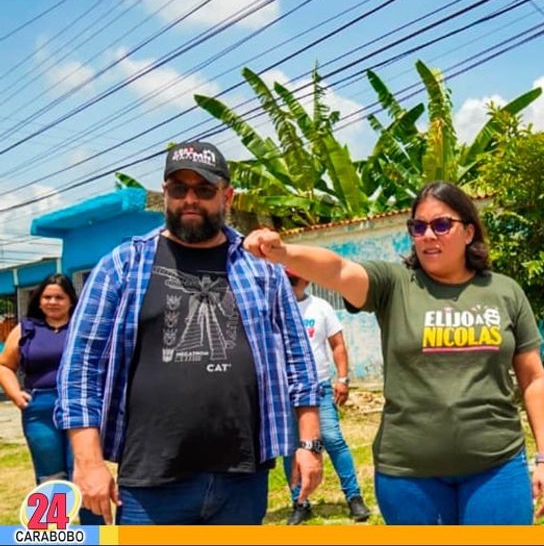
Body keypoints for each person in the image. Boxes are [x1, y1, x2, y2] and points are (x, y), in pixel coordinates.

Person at [243, 180, 544, 525]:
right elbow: (337, 269)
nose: (428, 235)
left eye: (441, 225)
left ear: (468, 232)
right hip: (410, 475)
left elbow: (533, 378)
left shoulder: (504, 291)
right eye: (418, 227)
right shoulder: (394, 284)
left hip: (496, 467)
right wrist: (283, 253)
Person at [54, 141, 323, 525]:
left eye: (204, 190)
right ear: (165, 193)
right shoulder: (122, 265)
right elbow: (80, 367)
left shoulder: (261, 270)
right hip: (151, 483)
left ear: (227, 196)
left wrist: (309, 444)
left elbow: (300, 360)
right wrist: (88, 461)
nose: (190, 200)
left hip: (242, 479)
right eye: (179, 189)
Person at [0, 274, 102, 525]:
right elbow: (4, 366)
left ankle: (95, 532)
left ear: (70, 300)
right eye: (47, 297)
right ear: (39, 300)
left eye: (59, 297)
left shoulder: (83, 326)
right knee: (50, 475)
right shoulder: (26, 328)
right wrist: (15, 394)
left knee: (83, 472)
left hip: (79, 407)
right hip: (40, 410)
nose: (53, 302)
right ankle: (50, 533)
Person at [281, 269, 371, 524]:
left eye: (292, 279)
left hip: (319, 386)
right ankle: (300, 502)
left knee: (332, 439)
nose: (287, 284)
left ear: (305, 280)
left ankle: (354, 498)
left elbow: (337, 344)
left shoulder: (320, 307)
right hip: (287, 389)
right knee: (292, 449)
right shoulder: (274, 309)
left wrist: (342, 379)